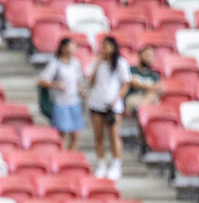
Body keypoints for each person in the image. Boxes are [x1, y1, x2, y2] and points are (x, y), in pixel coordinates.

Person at [84, 35, 133, 179]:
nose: (104, 49)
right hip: (96, 103)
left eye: (107, 46)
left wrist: (116, 99)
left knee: (114, 135)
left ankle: (116, 164)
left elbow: (126, 84)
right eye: (103, 46)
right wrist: (98, 64)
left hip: (113, 105)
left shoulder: (120, 63)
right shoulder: (96, 62)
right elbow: (90, 82)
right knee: (98, 136)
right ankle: (101, 163)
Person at [40, 36, 87, 150]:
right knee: (62, 134)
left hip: (74, 101)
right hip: (61, 102)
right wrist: (56, 84)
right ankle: (61, 155)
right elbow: (42, 81)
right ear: (63, 48)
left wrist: (81, 90)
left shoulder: (76, 63)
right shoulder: (55, 63)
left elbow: (79, 79)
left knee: (75, 134)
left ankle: (70, 155)